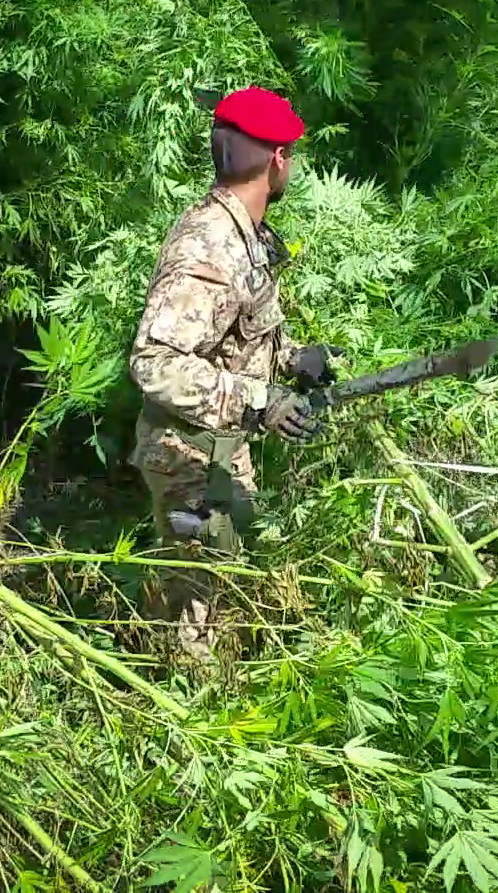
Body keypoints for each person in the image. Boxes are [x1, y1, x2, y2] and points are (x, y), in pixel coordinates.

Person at [127, 85, 342, 662]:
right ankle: (189, 701)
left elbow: (233, 332)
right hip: (186, 456)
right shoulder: (209, 247)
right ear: (278, 160)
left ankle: (197, 672)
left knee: (220, 586)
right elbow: (155, 362)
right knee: (201, 606)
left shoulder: (243, 234)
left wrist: (293, 358)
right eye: (291, 156)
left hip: (219, 448)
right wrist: (259, 400)